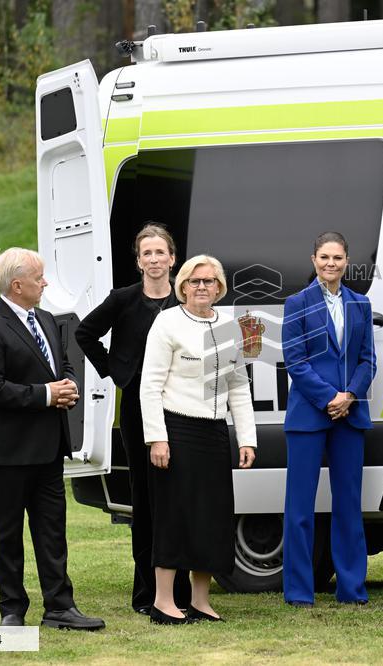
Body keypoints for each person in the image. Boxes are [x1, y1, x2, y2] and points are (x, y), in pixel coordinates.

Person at [0, 247, 105, 630]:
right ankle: (12, 611)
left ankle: (60, 607)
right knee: (7, 533)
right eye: (39, 278)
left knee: (52, 530)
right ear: (17, 284)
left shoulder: (44, 318)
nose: (45, 283)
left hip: (47, 448)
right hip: (6, 450)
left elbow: (60, 365)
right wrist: (46, 394)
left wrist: (69, 386)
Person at [74, 223, 191, 615]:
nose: (155, 260)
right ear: (138, 261)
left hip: (180, 408)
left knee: (178, 499)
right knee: (146, 500)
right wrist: (115, 371)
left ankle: (182, 594)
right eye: (147, 254)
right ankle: (146, 595)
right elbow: (85, 333)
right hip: (139, 411)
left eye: (161, 253)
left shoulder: (185, 300)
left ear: (173, 258)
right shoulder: (123, 299)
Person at [139, 255, 258, 624]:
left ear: (219, 288)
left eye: (209, 281)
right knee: (175, 516)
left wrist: (247, 438)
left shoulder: (232, 325)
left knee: (212, 518)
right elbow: (149, 387)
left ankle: (201, 601)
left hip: (214, 433)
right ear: (183, 286)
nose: (202, 287)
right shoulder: (167, 322)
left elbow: (239, 386)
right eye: (195, 281)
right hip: (176, 431)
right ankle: (162, 601)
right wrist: (157, 439)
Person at [282, 231, 376, 607]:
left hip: (350, 416)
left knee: (349, 505)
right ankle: (299, 592)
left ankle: (352, 590)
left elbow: (368, 360)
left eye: (337, 258)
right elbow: (296, 361)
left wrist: (350, 396)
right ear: (313, 260)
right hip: (309, 415)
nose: (330, 264)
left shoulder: (361, 304)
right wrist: (328, 399)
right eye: (324, 257)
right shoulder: (296, 303)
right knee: (300, 508)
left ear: (346, 262)